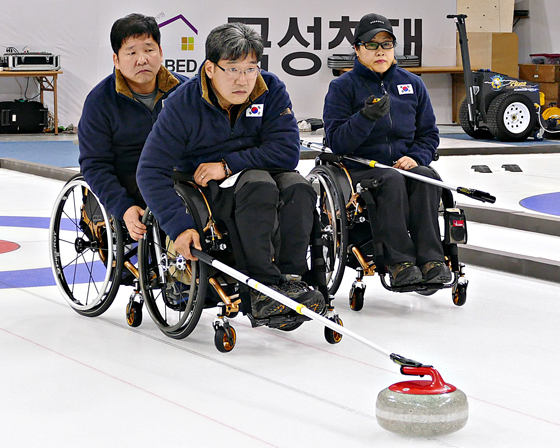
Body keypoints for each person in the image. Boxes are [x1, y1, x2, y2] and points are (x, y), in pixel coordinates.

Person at [137, 22, 325, 318]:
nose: (243, 80)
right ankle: (262, 287)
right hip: (206, 190)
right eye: (233, 69)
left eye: (251, 69)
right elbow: (149, 171)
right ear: (210, 69)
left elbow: (287, 153)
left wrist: (227, 165)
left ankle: (291, 281)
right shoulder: (181, 104)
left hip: (252, 172)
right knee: (258, 185)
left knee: (299, 187)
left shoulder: (270, 89)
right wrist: (179, 226)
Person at [323, 13, 452, 287]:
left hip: (403, 165)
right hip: (362, 168)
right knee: (390, 179)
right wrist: (365, 118)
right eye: (371, 44)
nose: (380, 51)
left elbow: (428, 134)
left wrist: (415, 157)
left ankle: (432, 258)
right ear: (357, 49)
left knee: (426, 176)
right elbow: (337, 142)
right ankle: (399, 262)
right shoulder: (341, 88)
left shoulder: (413, 84)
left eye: (387, 44)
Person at [78, 13, 187, 241]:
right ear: (116, 59)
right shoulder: (100, 101)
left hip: (181, 175)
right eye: (131, 52)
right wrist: (123, 207)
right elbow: (95, 164)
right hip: (130, 179)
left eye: (149, 49)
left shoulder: (185, 91)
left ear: (160, 53)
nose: (142, 59)